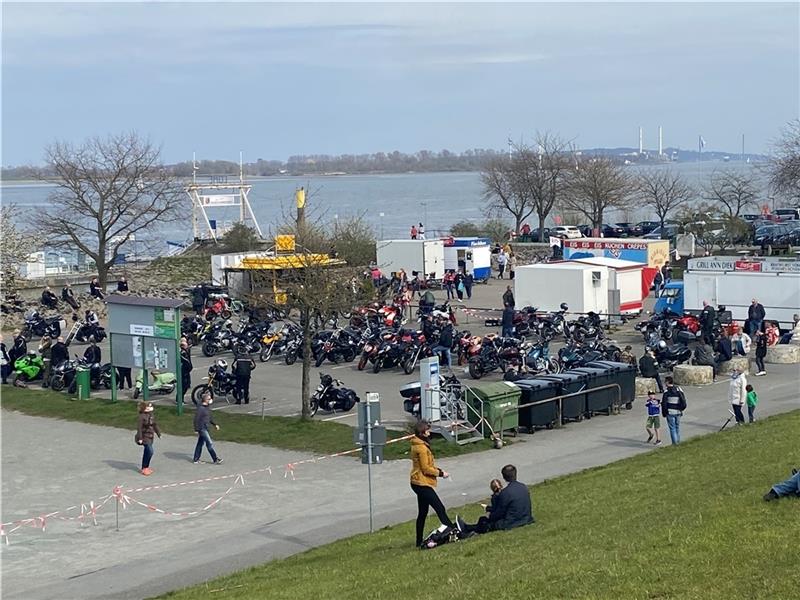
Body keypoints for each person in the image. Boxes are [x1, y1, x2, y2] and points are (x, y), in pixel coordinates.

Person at [410, 420, 454, 547]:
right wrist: (441, 474)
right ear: (422, 432)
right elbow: (426, 468)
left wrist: (438, 470)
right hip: (421, 483)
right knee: (440, 508)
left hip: (417, 481)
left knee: (423, 513)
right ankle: (452, 530)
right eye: (427, 430)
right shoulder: (422, 448)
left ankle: (418, 541)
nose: (429, 433)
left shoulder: (417, 444)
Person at [457, 464, 534, 535]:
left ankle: (466, 529)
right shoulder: (523, 487)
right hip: (525, 518)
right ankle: (467, 527)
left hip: (511, 522)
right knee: (485, 520)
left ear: (504, 477)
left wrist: (490, 516)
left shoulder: (506, 493)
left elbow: (499, 513)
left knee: (485, 522)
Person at [193, 392, 223, 464]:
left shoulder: (207, 407)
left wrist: (214, 424)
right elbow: (196, 419)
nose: (211, 400)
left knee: (200, 443)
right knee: (209, 443)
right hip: (202, 428)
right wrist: (196, 429)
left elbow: (209, 418)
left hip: (206, 427)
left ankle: (196, 459)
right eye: (209, 399)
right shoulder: (201, 409)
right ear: (205, 400)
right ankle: (215, 459)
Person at [136, 401, 162, 476]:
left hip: (150, 436)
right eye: (148, 407)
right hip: (144, 437)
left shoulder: (151, 415)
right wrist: (140, 438)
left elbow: (154, 424)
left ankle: (145, 467)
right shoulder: (141, 417)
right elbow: (139, 428)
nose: (150, 408)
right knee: (150, 451)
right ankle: (144, 467)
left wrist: (158, 433)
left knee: (147, 452)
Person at [661, 376, 687, 445]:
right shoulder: (679, 389)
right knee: (677, 427)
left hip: (670, 412)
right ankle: (678, 441)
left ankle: (675, 443)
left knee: (672, 428)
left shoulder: (666, 392)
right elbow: (683, 400)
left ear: (667, 382)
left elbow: (664, 403)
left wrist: (664, 413)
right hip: (678, 411)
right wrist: (681, 409)